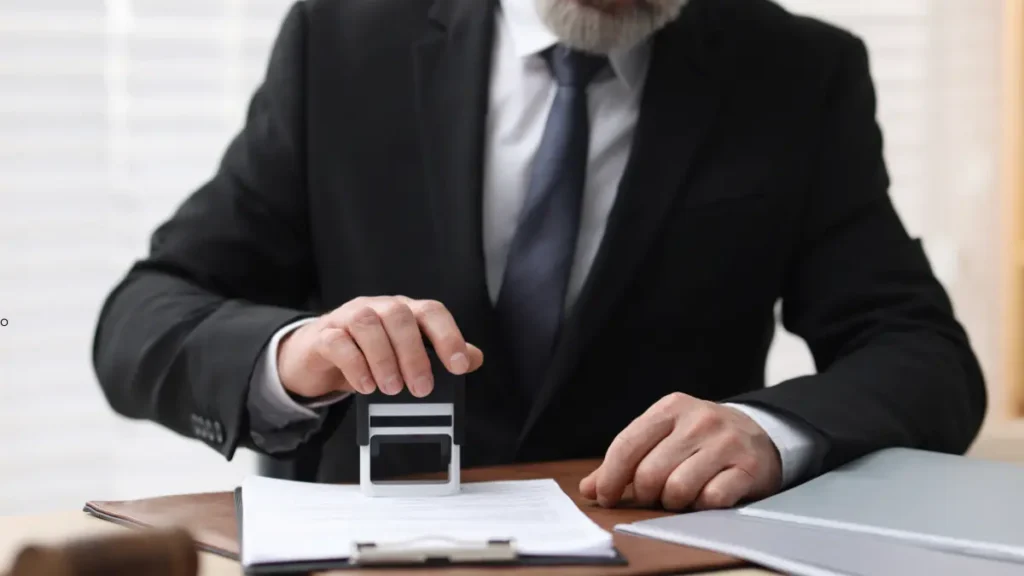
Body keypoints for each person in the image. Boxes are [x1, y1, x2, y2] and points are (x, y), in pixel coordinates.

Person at [92, 0, 986, 511]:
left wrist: (775, 431)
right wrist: (289, 358)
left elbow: (922, 354)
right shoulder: (344, 40)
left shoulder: (796, 73)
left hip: (653, 553)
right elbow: (144, 317)